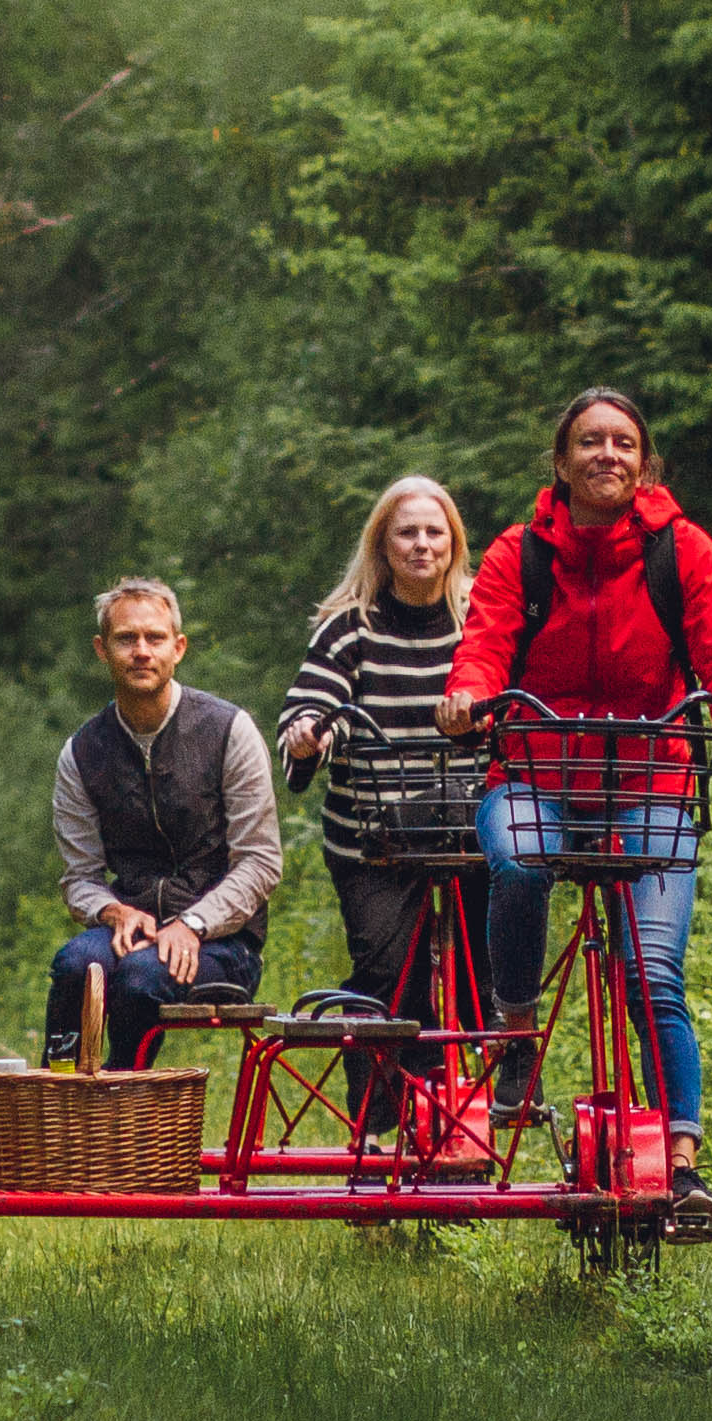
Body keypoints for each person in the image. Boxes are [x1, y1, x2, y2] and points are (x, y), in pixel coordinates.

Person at [433, 387, 712, 1221]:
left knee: (653, 973)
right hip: (537, 774)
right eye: (590, 442)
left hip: (648, 786)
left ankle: (683, 1162)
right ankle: (516, 1037)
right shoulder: (521, 553)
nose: (607, 455)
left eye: (623, 443)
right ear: (562, 461)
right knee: (515, 861)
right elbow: (484, 646)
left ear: (643, 461)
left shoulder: (682, 550)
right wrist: (467, 695)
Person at [276, 474, 481, 1146]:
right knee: (390, 975)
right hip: (374, 837)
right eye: (407, 532)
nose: (422, 544)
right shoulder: (350, 628)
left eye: (434, 531)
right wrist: (312, 734)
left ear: (453, 543)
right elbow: (311, 706)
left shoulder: (481, 620)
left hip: (468, 829)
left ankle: (484, 1090)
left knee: (490, 966)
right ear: (383, 545)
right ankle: (381, 1125)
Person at [44, 575, 281, 1069]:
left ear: (179, 648)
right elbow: (79, 880)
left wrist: (194, 924)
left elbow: (260, 862)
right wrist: (113, 911)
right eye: (126, 639)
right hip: (130, 930)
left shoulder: (228, 730)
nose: (141, 651)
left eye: (154, 638)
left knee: (138, 978)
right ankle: (58, 1094)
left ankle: (121, 1101)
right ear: (101, 650)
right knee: (72, 966)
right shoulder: (82, 752)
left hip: (223, 940)